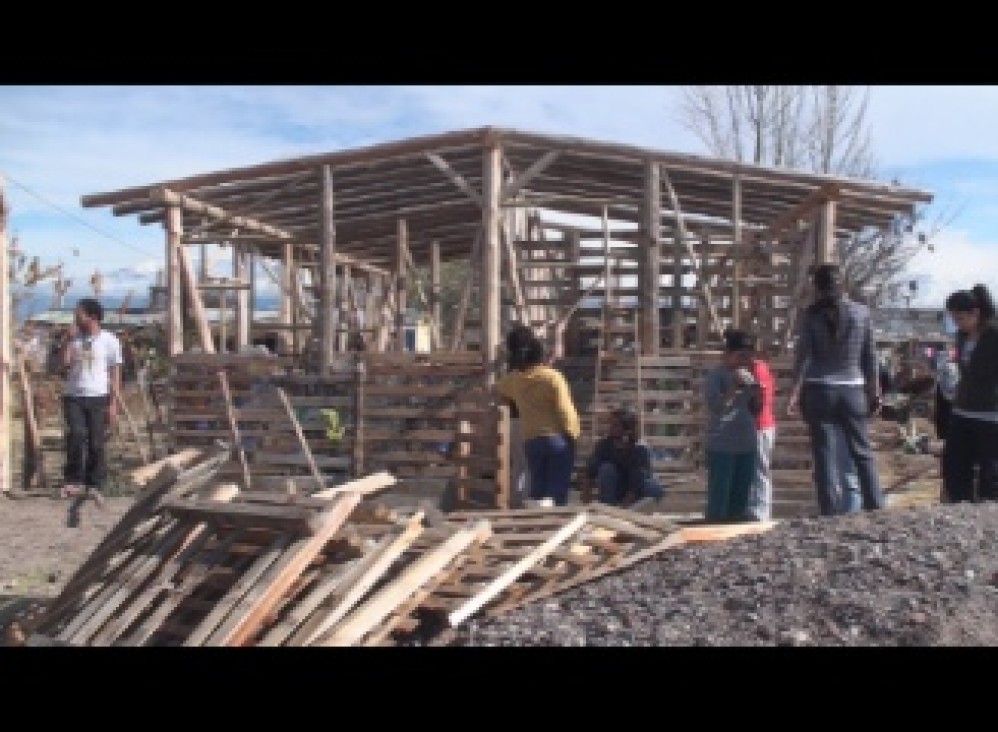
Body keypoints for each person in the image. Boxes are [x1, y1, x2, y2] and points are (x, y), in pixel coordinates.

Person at [787, 264, 885, 516]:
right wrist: (875, 392)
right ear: (843, 284)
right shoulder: (861, 313)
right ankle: (875, 504)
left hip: (820, 390)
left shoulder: (810, 315)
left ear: (817, 287)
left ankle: (829, 510)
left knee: (824, 453)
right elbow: (870, 356)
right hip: (853, 390)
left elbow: (803, 358)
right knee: (862, 450)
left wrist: (794, 393)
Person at [497, 327, 581, 506]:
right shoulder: (553, 377)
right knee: (556, 492)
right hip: (557, 439)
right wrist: (573, 435)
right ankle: (553, 524)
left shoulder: (515, 380)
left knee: (537, 488)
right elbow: (566, 411)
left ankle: (536, 522)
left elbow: (499, 388)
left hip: (532, 441)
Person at [59, 298, 123, 505]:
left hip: (98, 395)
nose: (76, 318)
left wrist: (113, 404)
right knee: (77, 434)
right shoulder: (75, 339)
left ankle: (95, 483)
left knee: (97, 441)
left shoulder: (109, 340)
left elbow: (115, 372)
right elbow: (64, 364)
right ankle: (73, 480)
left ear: (92, 317)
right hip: (74, 395)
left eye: (79, 314)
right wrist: (68, 341)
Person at [941, 285, 998, 503]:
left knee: (989, 472)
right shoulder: (962, 337)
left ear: (976, 313)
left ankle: (988, 512)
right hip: (962, 410)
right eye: (954, 318)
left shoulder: (994, 336)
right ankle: (958, 505)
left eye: (961, 317)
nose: (957, 322)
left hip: (990, 414)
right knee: (954, 466)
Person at [705, 330, 762, 522]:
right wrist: (733, 388)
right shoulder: (716, 375)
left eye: (747, 356)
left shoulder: (751, 373)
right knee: (720, 494)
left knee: (741, 494)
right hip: (722, 442)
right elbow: (717, 407)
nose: (744, 360)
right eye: (740, 356)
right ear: (728, 354)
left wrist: (757, 392)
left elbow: (756, 409)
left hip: (746, 441)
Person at [583, 408, 663, 506]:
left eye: (615, 425)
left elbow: (637, 480)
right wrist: (586, 499)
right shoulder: (605, 445)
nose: (611, 428)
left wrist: (623, 508)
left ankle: (638, 510)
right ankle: (607, 506)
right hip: (616, 487)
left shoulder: (638, 448)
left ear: (627, 429)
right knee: (606, 469)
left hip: (636, 490)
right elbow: (591, 471)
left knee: (654, 489)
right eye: (610, 424)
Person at [742, 338, 776, 522]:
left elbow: (759, 399)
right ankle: (754, 507)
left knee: (761, 468)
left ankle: (762, 511)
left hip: (761, 424)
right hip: (760, 423)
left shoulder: (758, 368)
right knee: (755, 468)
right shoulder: (756, 368)